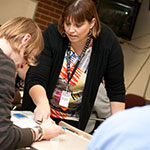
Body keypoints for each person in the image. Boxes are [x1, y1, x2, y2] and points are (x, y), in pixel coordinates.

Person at [22, 0, 125, 131]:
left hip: (74, 120)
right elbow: (36, 77)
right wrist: (42, 104)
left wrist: (119, 127)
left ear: (92, 23)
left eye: (78, 25)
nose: (71, 30)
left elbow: (116, 90)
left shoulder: (108, 43)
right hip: (41, 113)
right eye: (67, 23)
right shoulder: (53, 34)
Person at [0, 17, 65, 150]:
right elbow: (4, 138)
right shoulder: (5, 65)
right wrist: (41, 132)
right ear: (25, 40)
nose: (23, 65)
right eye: (28, 57)